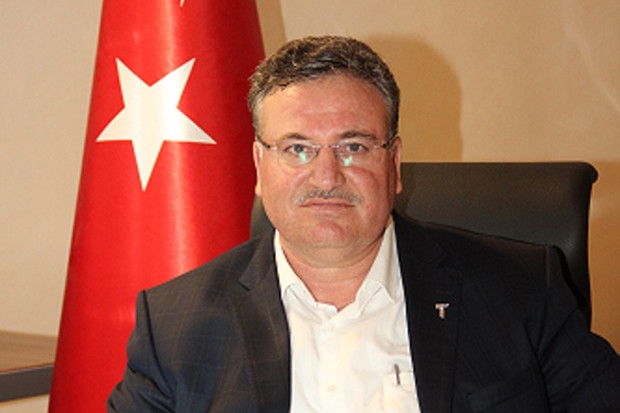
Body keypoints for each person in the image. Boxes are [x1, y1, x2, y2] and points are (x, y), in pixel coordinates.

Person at [107, 35, 620, 412]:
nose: (326, 175)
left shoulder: (520, 292)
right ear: (260, 167)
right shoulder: (175, 325)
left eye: (353, 146)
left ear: (394, 164)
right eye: (298, 149)